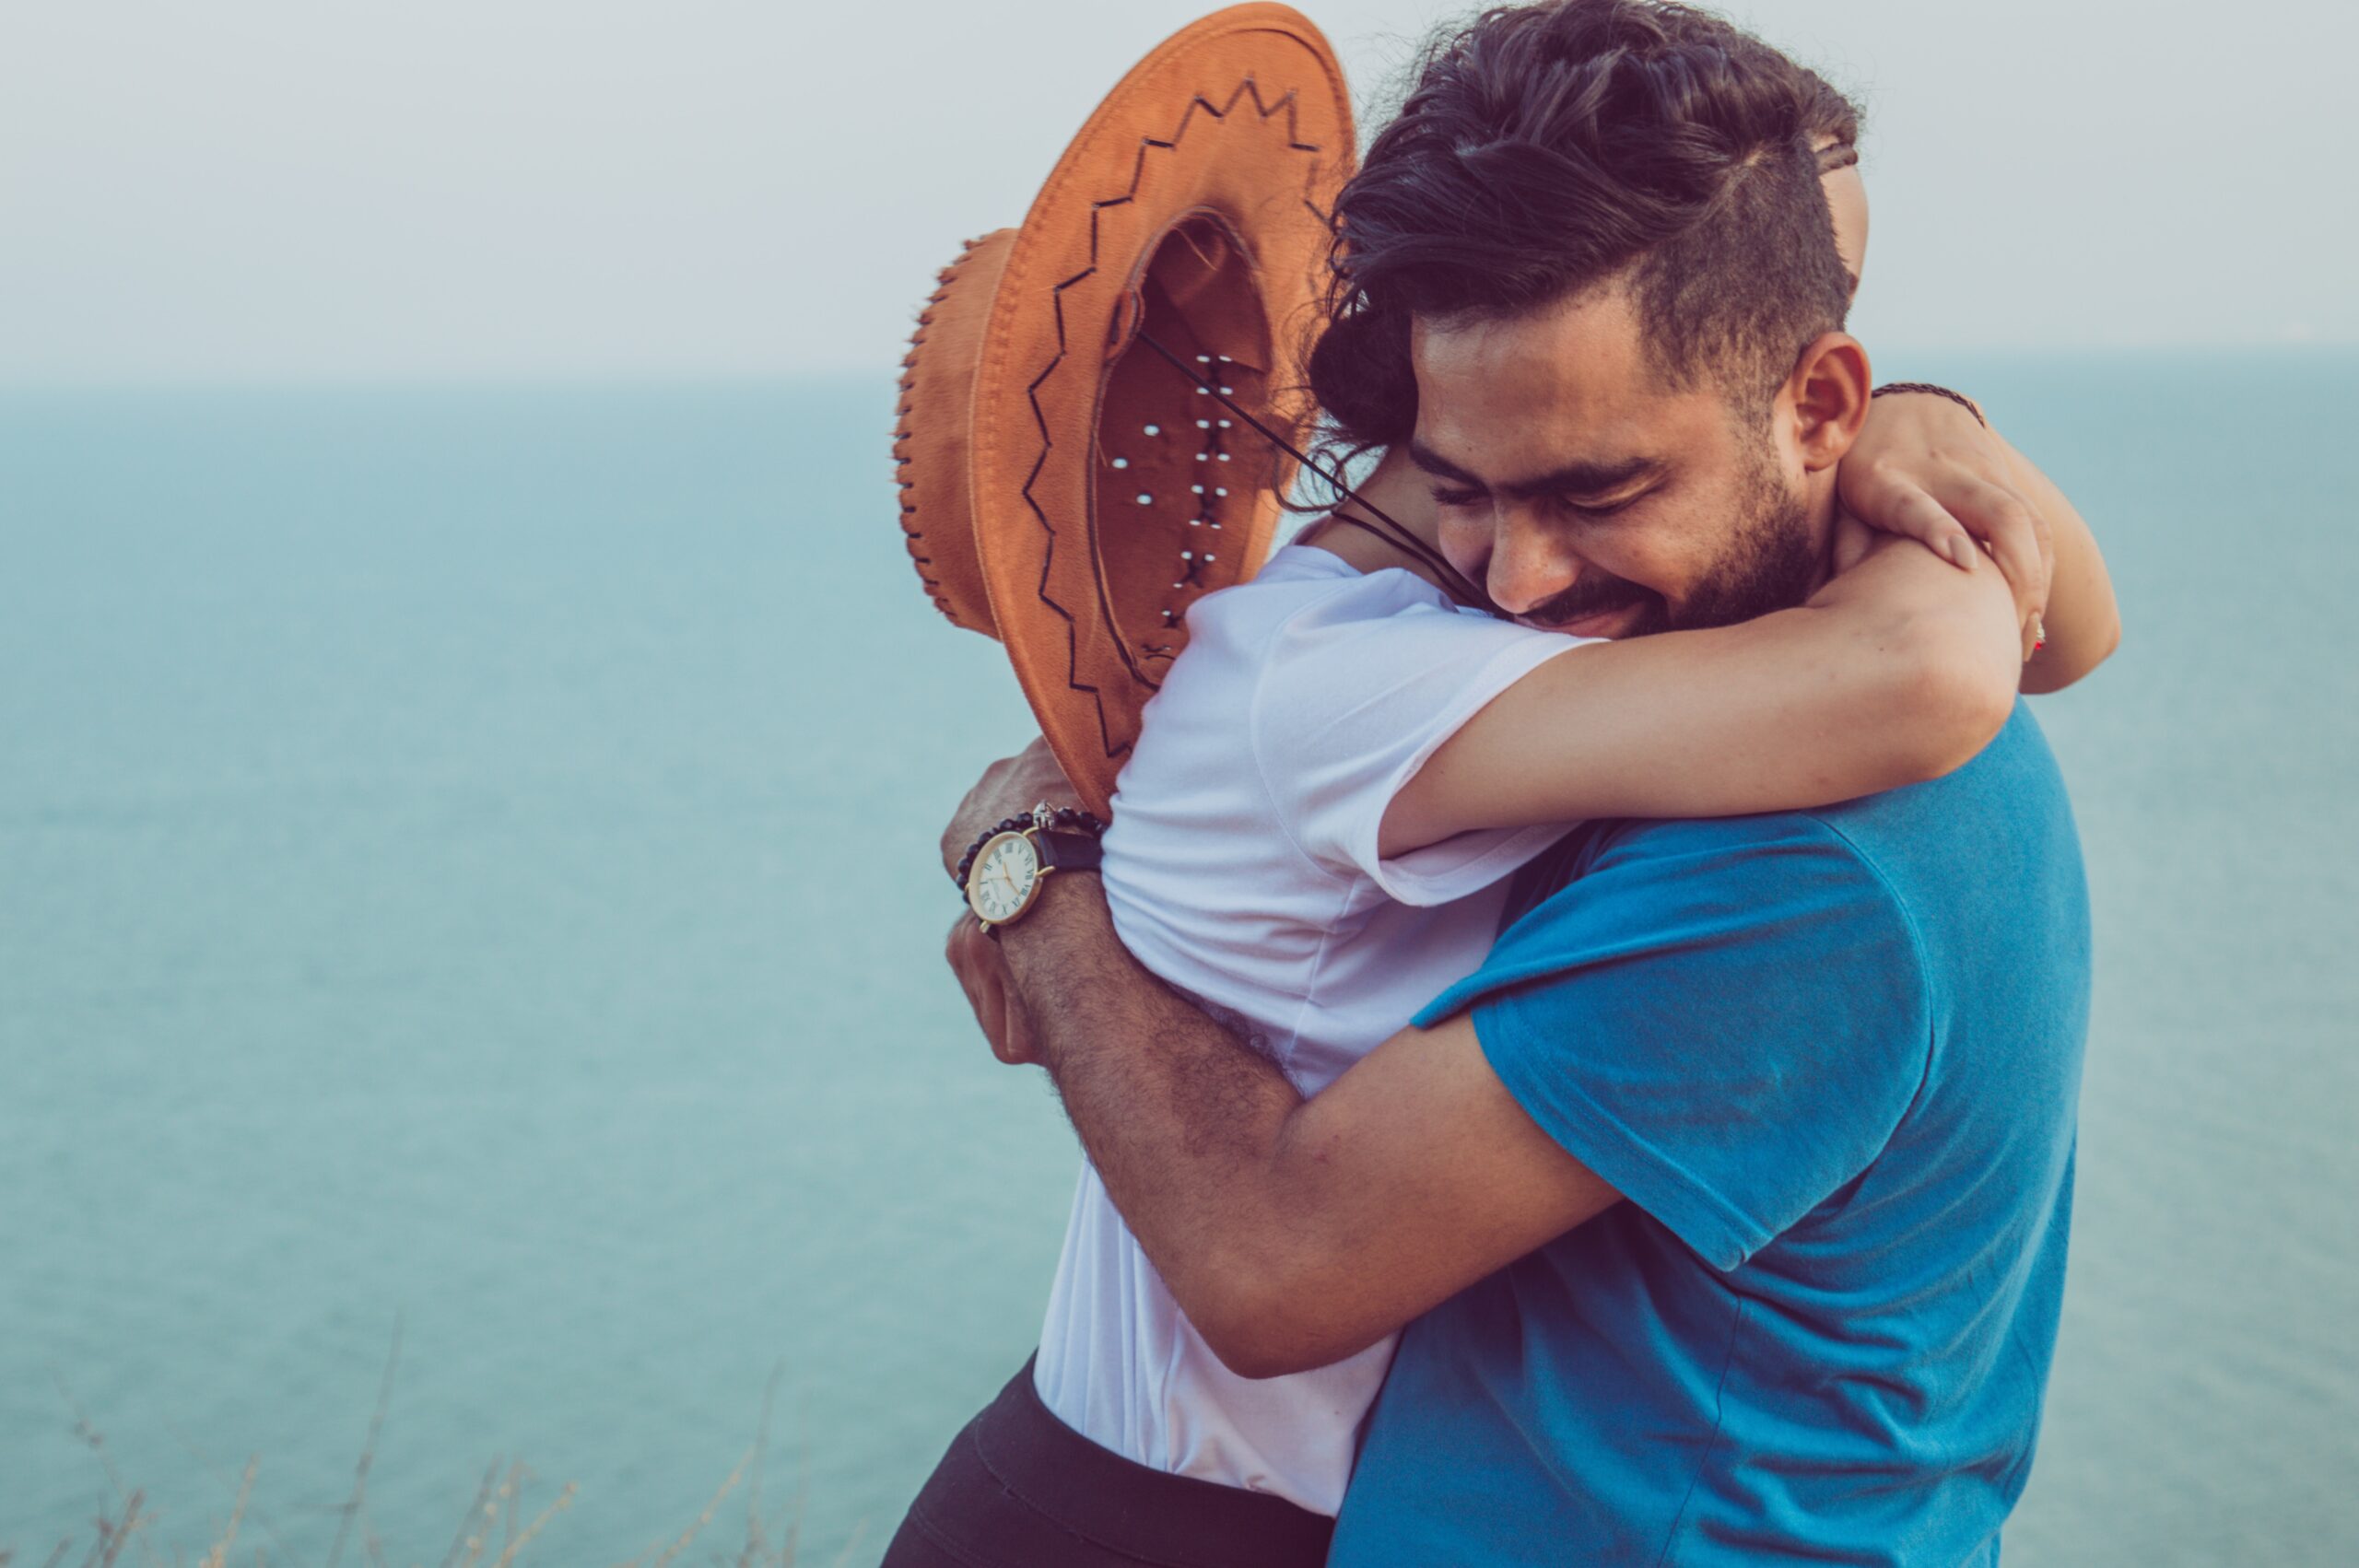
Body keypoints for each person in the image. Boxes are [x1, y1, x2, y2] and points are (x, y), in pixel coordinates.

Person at [898, 3, 2116, 1564]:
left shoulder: (1806, 849)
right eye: (1464, 482)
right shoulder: (1377, 667)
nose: (1522, 575)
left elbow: (1276, 1261)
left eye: (1596, 490)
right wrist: (1037, 876)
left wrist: (1034, 874)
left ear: (1815, 398)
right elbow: (1978, 645)